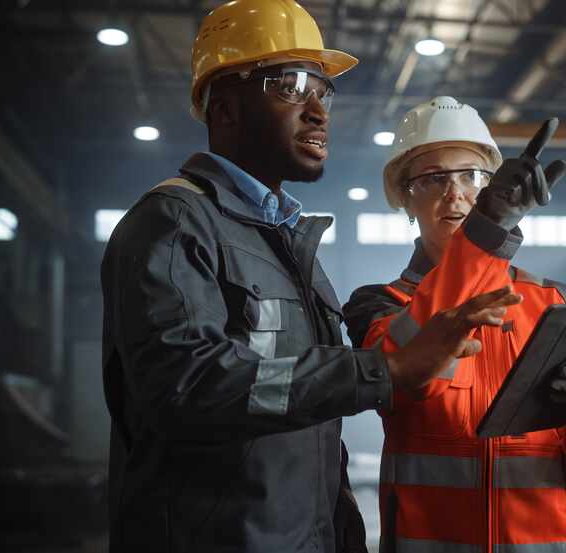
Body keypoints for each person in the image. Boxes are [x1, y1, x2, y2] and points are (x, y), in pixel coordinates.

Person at [100, 4, 522, 553]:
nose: (318, 110)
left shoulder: (289, 245)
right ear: (225, 107)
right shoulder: (176, 222)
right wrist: (384, 369)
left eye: (323, 91)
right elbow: (188, 386)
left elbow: (308, 424)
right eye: (292, 86)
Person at [343, 96, 566, 553]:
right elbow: (405, 376)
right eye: (434, 178)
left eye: (472, 176)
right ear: (405, 197)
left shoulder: (553, 303)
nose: (456, 192)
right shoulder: (379, 306)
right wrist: (489, 228)